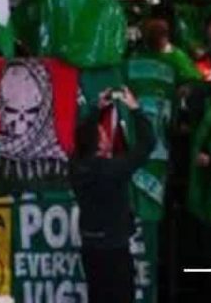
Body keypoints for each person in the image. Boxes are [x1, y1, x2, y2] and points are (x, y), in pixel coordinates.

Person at [69, 87, 155, 302]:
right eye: (103, 133)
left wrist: (97, 109)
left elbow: (82, 135)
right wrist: (135, 109)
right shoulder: (114, 169)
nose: (107, 135)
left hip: (90, 246)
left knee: (97, 296)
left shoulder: (75, 167)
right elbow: (147, 144)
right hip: (114, 249)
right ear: (100, 144)